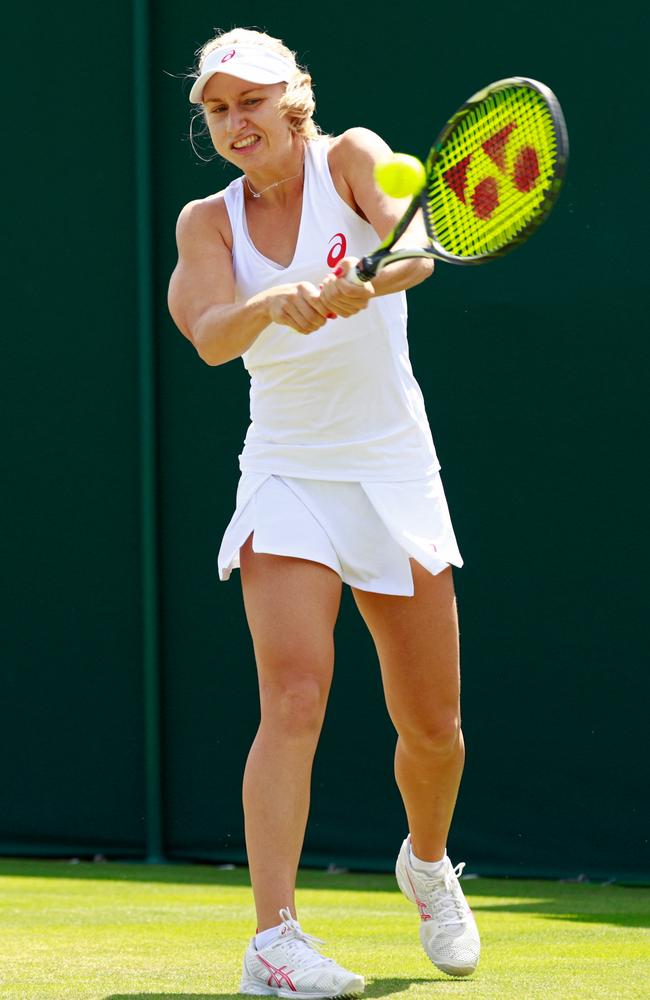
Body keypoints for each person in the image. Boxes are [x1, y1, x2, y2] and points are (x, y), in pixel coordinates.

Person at [168, 27, 480, 997]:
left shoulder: (349, 156)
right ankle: (274, 939)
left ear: (290, 99)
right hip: (288, 470)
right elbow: (211, 332)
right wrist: (277, 305)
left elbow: (415, 246)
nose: (234, 122)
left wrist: (362, 283)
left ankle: (424, 861)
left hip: (390, 468)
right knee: (293, 694)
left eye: (249, 102)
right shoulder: (205, 225)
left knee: (432, 728)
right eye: (217, 109)